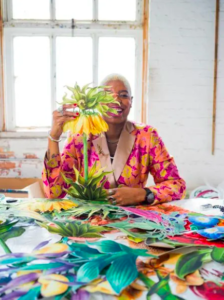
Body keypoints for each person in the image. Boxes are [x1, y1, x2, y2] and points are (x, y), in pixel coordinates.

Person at [42, 74, 186, 206]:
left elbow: (176, 185)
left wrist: (142, 194)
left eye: (123, 95)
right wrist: (54, 137)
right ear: (97, 101)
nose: (116, 100)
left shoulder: (147, 136)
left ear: (131, 101)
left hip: (134, 223)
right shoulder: (81, 136)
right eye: (107, 95)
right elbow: (55, 193)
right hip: (91, 223)